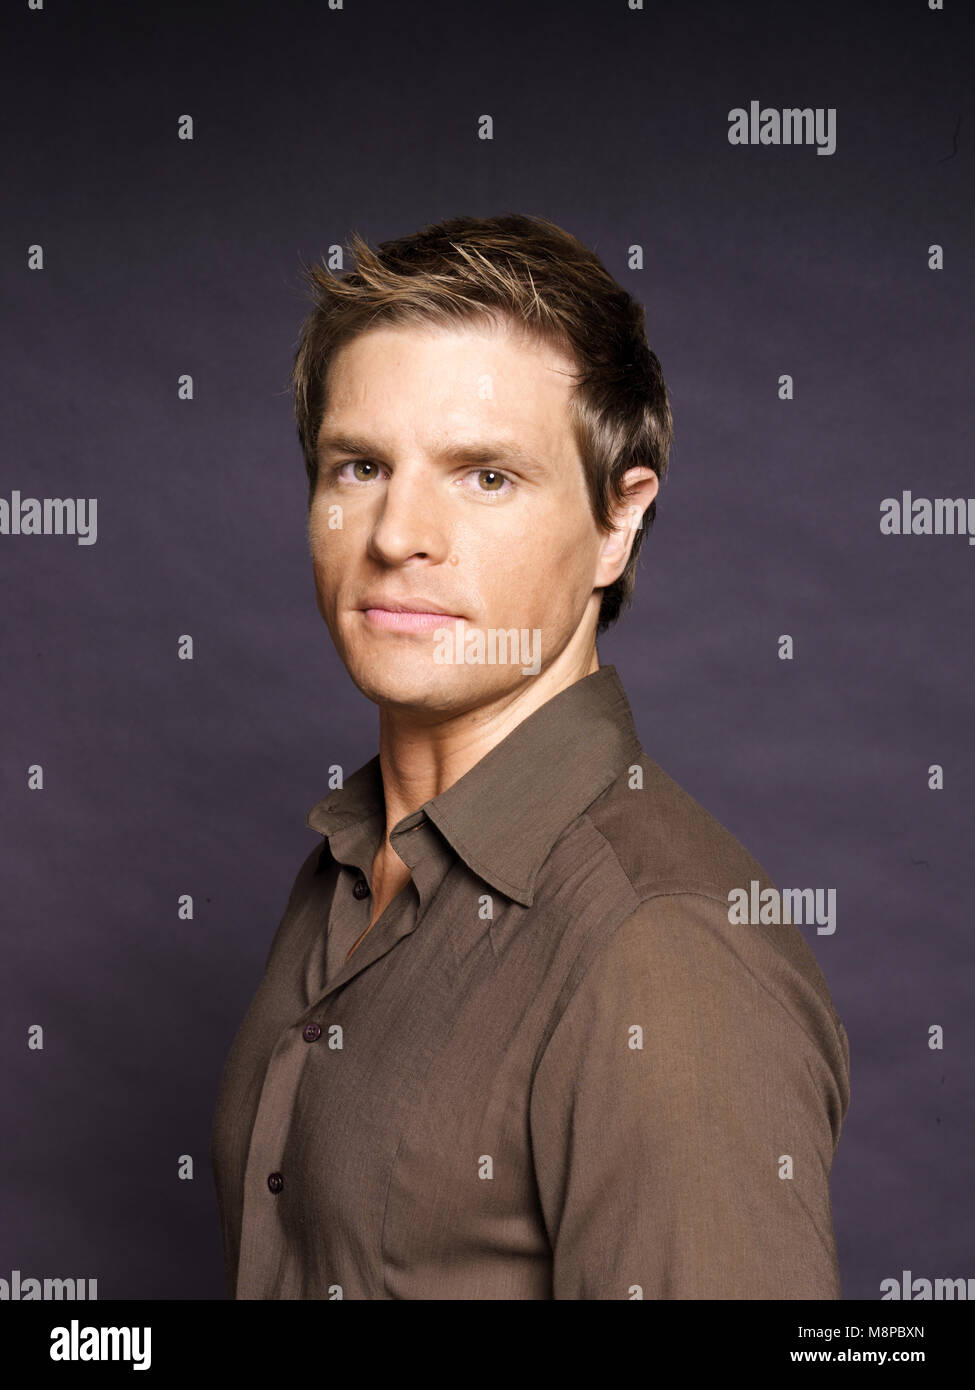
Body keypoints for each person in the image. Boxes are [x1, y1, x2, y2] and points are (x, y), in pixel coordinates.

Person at [210, 213, 850, 1299]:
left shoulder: (662, 947)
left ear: (617, 523)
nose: (399, 532)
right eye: (359, 465)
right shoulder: (347, 867)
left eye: (486, 477)